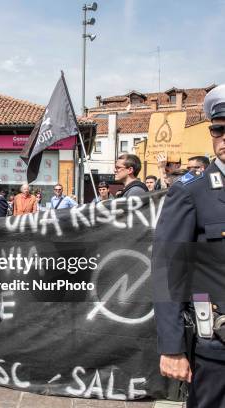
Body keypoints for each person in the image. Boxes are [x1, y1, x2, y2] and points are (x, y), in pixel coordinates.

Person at [151, 84, 225, 408]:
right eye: (220, 130)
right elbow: (168, 268)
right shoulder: (192, 192)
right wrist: (172, 346)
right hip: (218, 351)